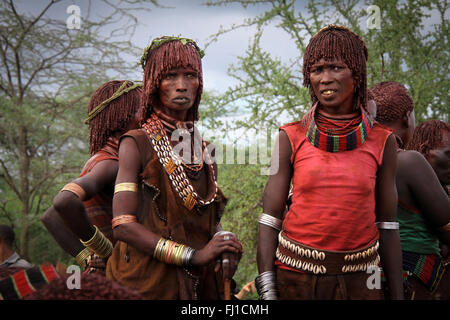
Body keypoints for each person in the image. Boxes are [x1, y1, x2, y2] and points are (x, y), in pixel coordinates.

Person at [256, 25, 403, 300]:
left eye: (336, 68)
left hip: (364, 280)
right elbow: (269, 218)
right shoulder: (291, 136)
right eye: (317, 70)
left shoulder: (383, 141)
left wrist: (396, 295)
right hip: (296, 278)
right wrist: (268, 291)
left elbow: (387, 225)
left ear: (357, 74)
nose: (325, 78)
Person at [106, 36, 243, 300]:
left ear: (199, 83)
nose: (181, 86)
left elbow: (207, 221)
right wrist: (195, 256)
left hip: (198, 286)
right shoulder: (136, 143)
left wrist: (224, 243)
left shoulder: (206, 151)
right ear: (154, 84)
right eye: (170, 76)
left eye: (190, 75)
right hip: (146, 284)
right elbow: (122, 225)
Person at [41, 80, 142, 273]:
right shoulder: (111, 163)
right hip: (122, 280)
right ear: (122, 118)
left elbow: (51, 216)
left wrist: (87, 257)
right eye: (142, 111)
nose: (149, 119)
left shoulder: (104, 159)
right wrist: (106, 253)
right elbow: (64, 202)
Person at [370, 82, 450, 300]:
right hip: (412, 279)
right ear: (407, 117)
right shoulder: (408, 161)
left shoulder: (361, 160)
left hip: (366, 278)